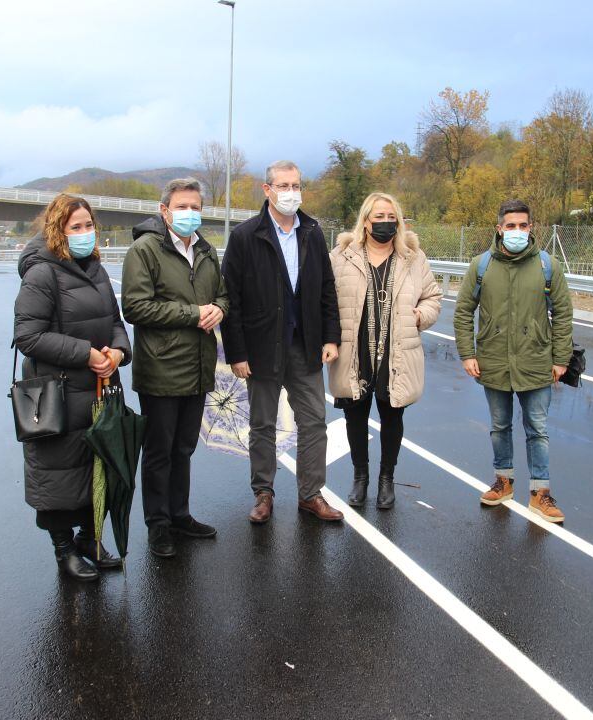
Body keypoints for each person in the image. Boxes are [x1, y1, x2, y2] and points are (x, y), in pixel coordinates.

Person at [14, 194, 132, 580]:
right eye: (75, 227)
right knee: (60, 473)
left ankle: (90, 540)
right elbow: (28, 336)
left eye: (88, 225)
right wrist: (85, 354)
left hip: (99, 389)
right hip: (60, 394)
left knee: (97, 469)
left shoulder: (95, 268)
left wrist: (117, 351)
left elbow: (115, 321)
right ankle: (64, 550)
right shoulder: (41, 273)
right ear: (57, 230)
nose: (84, 233)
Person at [221, 160, 343, 524]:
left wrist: (331, 337)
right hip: (261, 348)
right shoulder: (245, 236)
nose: (291, 192)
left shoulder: (312, 232)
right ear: (267, 189)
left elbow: (326, 289)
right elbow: (232, 298)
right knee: (262, 424)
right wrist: (237, 352)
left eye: (296, 185)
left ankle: (310, 494)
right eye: (284, 185)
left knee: (314, 421)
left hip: (304, 345)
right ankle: (263, 493)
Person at [122, 178, 230, 559]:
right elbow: (135, 307)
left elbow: (221, 294)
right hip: (161, 369)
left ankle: (180, 515)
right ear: (164, 210)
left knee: (183, 448)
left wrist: (219, 308)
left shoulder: (205, 249)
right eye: (182, 206)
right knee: (159, 451)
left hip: (199, 367)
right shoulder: (145, 250)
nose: (190, 213)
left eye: (196, 206)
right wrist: (192, 313)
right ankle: (158, 525)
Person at [453, 199, 573, 523]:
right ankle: (502, 482)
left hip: (536, 360)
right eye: (511, 226)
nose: (517, 231)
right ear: (499, 228)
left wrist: (561, 359)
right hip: (493, 361)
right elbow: (464, 310)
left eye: (523, 225)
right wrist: (467, 353)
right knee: (499, 427)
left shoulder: (548, 266)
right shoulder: (481, 266)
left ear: (531, 228)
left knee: (538, 429)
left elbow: (562, 313)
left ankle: (540, 493)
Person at [328, 192, 442, 509]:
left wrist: (420, 316)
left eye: (391, 217)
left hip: (398, 351)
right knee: (355, 416)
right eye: (379, 217)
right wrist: (327, 338)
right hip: (354, 350)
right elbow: (325, 300)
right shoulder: (342, 256)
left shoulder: (413, 257)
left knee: (393, 416)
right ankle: (360, 476)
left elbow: (433, 297)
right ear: (366, 221)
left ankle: (386, 479)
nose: (386, 223)